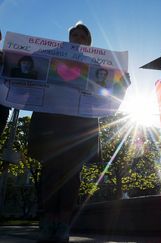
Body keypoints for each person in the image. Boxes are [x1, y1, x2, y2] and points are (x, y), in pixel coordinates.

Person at [28, 22, 101, 243]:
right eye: (74, 35)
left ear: (88, 42)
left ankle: (63, 225)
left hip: (78, 127)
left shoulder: (94, 62)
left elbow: (105, 91)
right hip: (51, 123)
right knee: (50, 174)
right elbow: (30, 64)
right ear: (69, 38)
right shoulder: (51, 55)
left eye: (82, 36)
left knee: (71, 177)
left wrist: (121, 83)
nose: (77, 39)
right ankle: (48, 223)